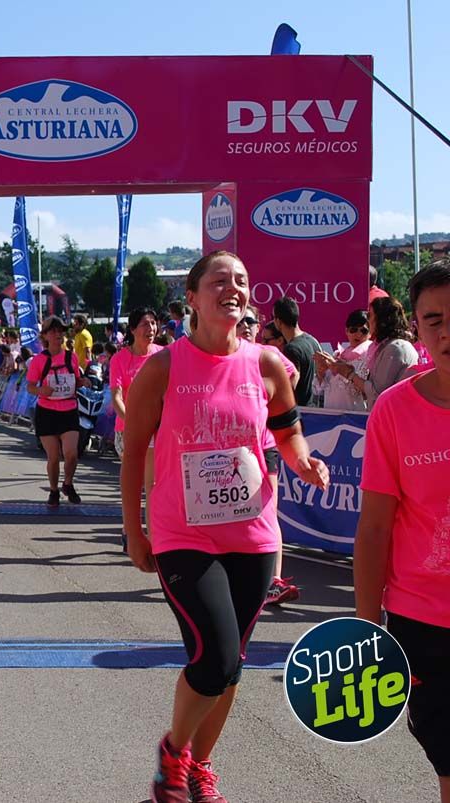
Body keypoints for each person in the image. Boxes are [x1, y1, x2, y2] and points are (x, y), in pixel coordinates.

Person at [121, 251, 329, 803]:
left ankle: (198, 766)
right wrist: (133, 529)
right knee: (215, 656)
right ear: (192, 297)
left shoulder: (268, 364)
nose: (232, 288)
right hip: (182, 533)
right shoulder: (163, 368)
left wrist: (304, 459)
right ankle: (174, 754)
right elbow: (132, 449)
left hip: (253, 534)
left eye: (241, 280)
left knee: (230, 663)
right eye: (219, 280)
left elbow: (288, 431)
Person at [356, 260, 450, 803]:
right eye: (433, 319)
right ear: (416, 328)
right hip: (424, 623)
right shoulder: (394, 411)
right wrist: (369, 631)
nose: (446, 332)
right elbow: (373, 529)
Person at [238, 306, 302, 606]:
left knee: (268, 510)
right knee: (237, 512)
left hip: (265, 445)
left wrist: (275, 404)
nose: (248, 326)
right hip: (233, 450)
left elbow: (294, 373)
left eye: (252, 321)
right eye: (242, 322)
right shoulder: (223, 357)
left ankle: (273, 580)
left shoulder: (267, 354)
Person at [109, 307, 162, 548]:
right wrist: (133, 424)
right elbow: (117, 396)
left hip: (157, 429)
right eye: (144, 324)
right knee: (135, 483)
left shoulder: (163, 355)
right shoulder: (120, 359)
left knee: (152, 484)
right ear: (132, 329)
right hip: (128, 429)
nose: (150, 328)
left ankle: (153, 537)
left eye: (153, 323)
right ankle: (129, 528)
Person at [27, 317, 88, 506]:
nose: (58, 335)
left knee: (71, 454)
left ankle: (68, 483)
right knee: (53, 457)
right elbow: (30, 386)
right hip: (46, 412)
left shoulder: (71, 357)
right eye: (53, 331)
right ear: (45, 336)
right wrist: (41, 390)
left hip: (69, 410)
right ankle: (53, 491)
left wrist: (84, 382)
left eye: (60, 331)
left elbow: (75, 380)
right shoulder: (39, 360)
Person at [322, 296, 418, 408]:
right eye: (353, 329)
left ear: (381, 319)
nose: (368, 320)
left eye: (370, 315)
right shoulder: (387, 347)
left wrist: (350, 374)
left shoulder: (394, 349)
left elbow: (376, 393)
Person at [314, 310, 371, 412]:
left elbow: (366, 391)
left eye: (364, 331)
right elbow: (319, 389)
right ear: (346, 331)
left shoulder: (370, 357)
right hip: (330, 417)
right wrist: (320, 372)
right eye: (353, 330)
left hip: (354, 419)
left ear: (370, 333)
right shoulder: (337, 355)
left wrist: (338, 368)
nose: (358, 334)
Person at [272, 296, 320, 406]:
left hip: (299, 411)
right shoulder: (312, 340)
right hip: (313, 410)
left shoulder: (291, 349)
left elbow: (290, 384)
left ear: (278, 321)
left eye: (273, 317)